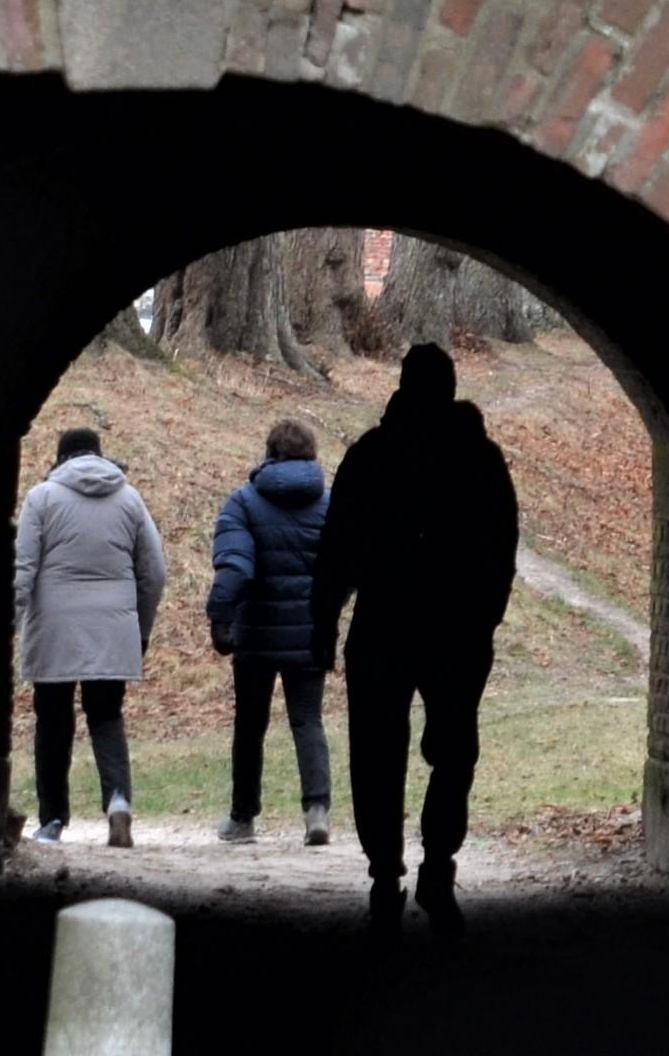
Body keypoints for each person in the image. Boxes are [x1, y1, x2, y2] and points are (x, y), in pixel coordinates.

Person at [311, 342, 520, 926]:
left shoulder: (373, 454)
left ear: (403, 386)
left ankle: (387, 874)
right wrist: (485, 618)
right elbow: (500, 548)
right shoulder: (479, 460)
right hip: (454, 629)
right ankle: (435, 868)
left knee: (378, 753)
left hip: (386, 624)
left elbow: (338, 549)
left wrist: (324, 620)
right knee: (453, 752)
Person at [13, 425, 169, 847]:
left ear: (60, 458)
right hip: (112, 627)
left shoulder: (41, 498)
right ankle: (118, 801)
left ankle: (52, 821)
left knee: (53, 721)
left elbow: (22, 569)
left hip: (55, 628)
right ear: (100, 456)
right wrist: (141, 629)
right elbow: (154, 572)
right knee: (105, 715)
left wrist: (9, 624)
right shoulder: (129, 498)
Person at [205, 417, 332, 848]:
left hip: (256, 635)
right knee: (308, 721)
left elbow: (235, 568)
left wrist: (219, 618)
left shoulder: (243, 503)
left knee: (250, 725)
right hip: (312, 632)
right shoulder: (331, 504)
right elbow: (348, 566)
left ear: (269, 454)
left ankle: (242, 819)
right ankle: (316, 811)